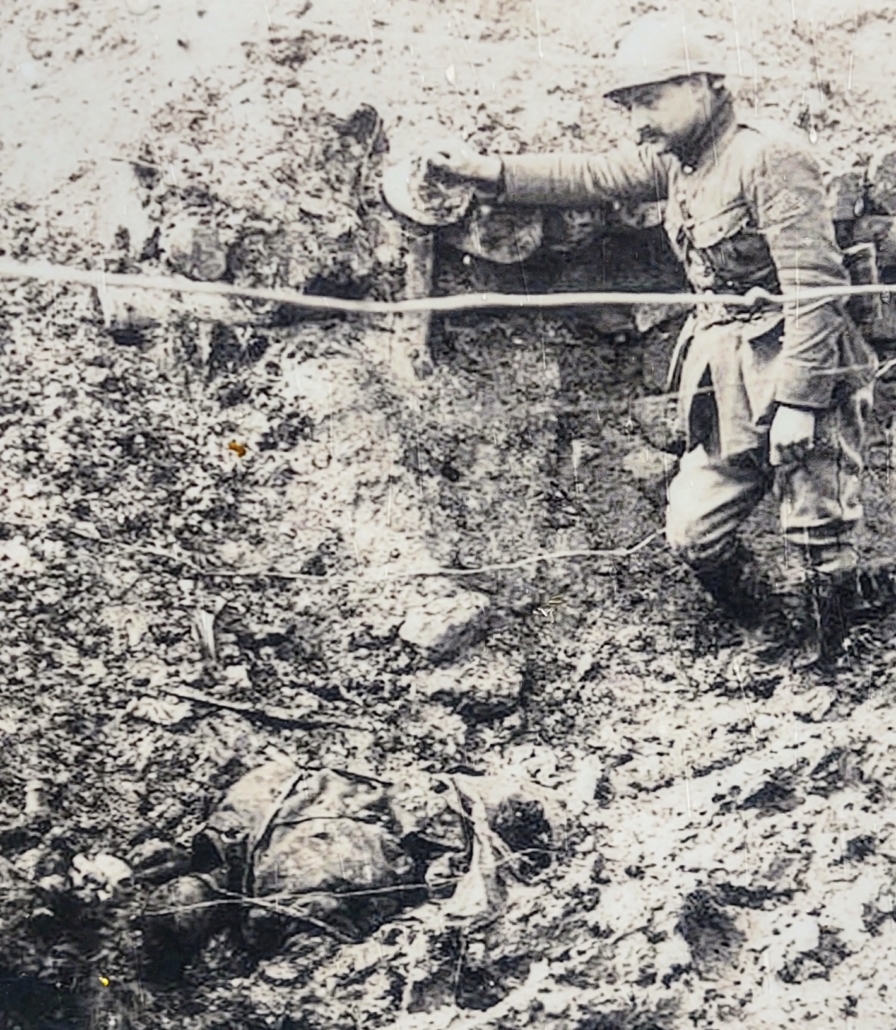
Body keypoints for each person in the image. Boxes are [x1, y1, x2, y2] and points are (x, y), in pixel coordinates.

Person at [423, 11, 878, 667]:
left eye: (650, 99)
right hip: (725, 378)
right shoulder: (680, 160)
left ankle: (825, 664)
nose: (639, 119)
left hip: (800, 369)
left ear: (705, 84)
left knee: (818, 531)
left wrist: (803, 402)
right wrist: (488, 169)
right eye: (630, 103)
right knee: (695, 531)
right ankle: (772, 627)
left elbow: (817, 285)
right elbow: (595, 175)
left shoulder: (767, 154)